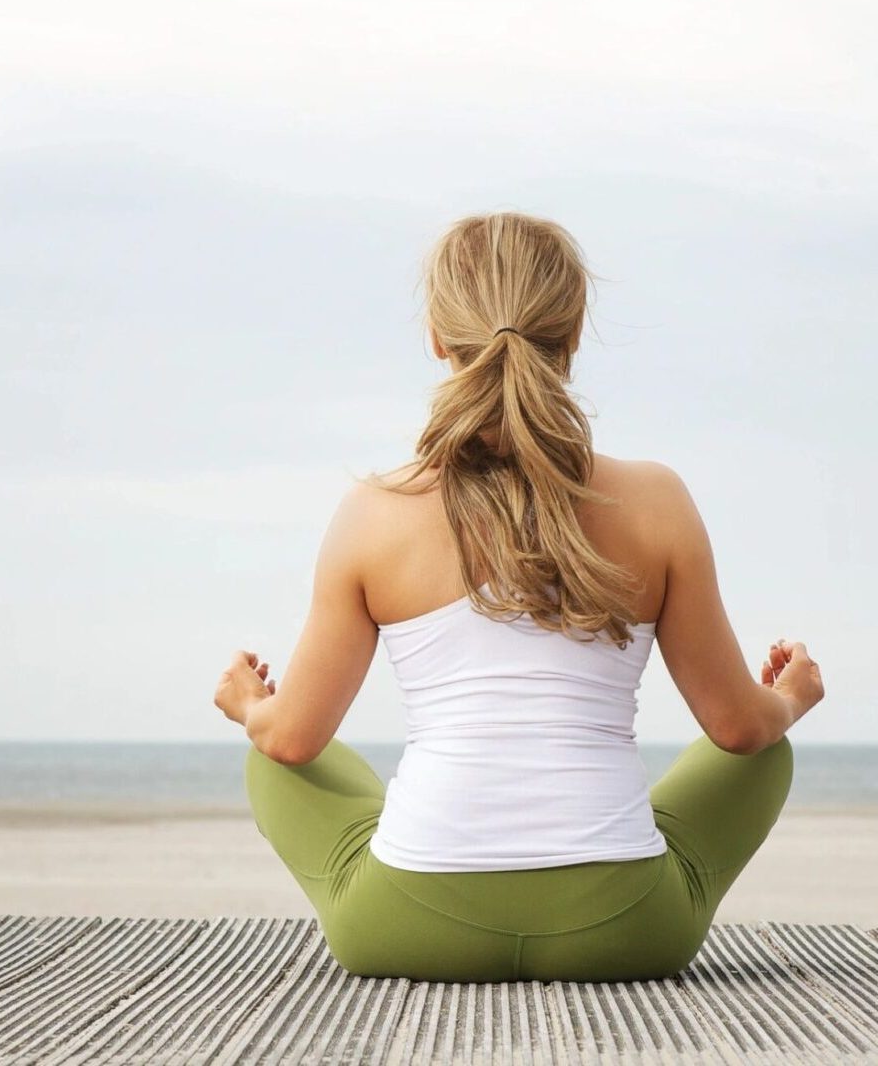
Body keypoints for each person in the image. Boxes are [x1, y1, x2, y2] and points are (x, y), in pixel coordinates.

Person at [212, 211, 826, 983]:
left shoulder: (373, 512)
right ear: (572, 337)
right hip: (625, 928)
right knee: (763, 754)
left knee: (276, 759)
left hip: (406, 925)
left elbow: (294, 740)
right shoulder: (658, 501)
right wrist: (789, 700)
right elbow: (737, 729)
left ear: (438, 336)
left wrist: (249, 707)